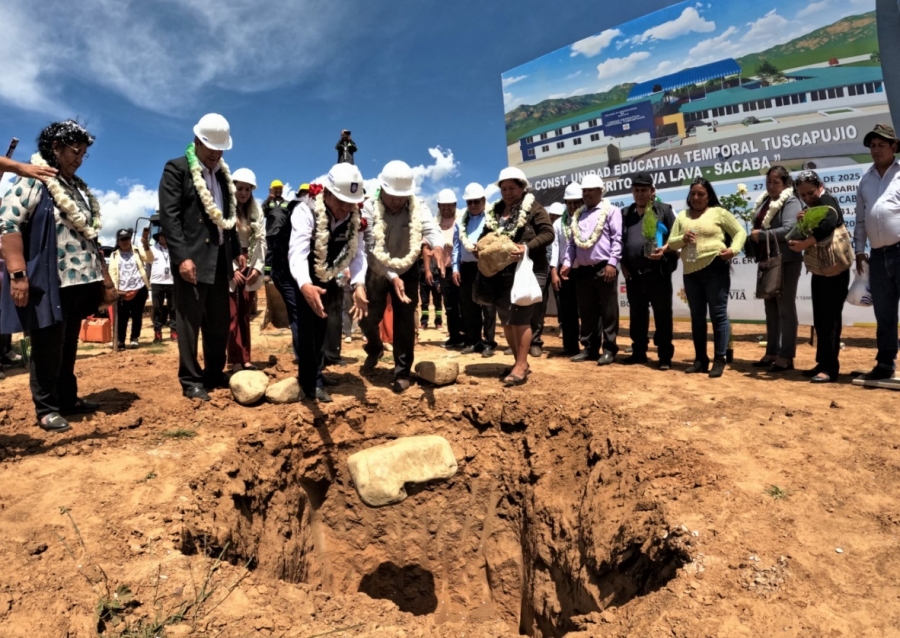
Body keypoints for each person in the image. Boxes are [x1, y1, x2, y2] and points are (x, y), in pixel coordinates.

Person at [0, 120, 117, 432]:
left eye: (83, 154)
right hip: (49, 282)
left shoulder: (77, 188)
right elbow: (7, 225)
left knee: (67, 346)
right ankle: (46, 407)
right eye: (74, 151)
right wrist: (18, 274)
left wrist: (104, 278)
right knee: (48, 346)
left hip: (79, 281)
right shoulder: (34, 180)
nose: (79, 158)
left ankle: (67, 398)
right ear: (55, 148)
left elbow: (90, 234)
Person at [158, 113, 244, 401]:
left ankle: (213, 373)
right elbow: (170, 216)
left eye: (221, 150)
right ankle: (191, 380)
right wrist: (181, 256)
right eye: (211, 149)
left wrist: (237, 251)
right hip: (192, 259)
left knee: (219, 321)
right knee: (189, 322)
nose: (216, 154)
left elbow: (227, 216)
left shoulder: (222, 175)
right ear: (196, 141)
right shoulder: (177, 169)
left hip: (220, 259)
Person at [360, 160, 443, 393]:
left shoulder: (419, 206)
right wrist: (390, 275)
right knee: (366, 317)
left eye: (402, 195)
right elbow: (369, 249)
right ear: (382, 189)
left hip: (407, 272)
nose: (397, 200)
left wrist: (437, 246)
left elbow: (431, 229)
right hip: (377, 271)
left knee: (405, 319)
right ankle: (375, 346)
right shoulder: (368, 208)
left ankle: (402, 371)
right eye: (392, 195)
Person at [288, 163, 368, 402]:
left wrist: (359, 284)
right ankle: (310, 383)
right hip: (297, 272)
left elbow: (359, 253)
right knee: (305, 326)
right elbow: (298, 252)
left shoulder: (355, 217)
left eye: (350, 203)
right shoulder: (306, 210)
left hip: (327, 272)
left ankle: (318, 372)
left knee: (322, 323)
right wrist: (304, 284)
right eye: (341, 202)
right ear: (327, 193)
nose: (345, 209)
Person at [476, 167, 554, 385]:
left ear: (522, 187)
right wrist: (479, 247)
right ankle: (519, 362)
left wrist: (525, 248)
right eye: (503, 189)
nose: (507, 192)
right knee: (508, 322)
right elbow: (485, 235)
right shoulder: (495, 212)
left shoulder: (535, 209)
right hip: (502, 273)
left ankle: (521, 366)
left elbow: (548, 233)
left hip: (528, 269)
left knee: (520, 318)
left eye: (512, 188)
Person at [668, 178, 746, 378]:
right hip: (690, 272)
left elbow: (739, 232)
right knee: (697, 317)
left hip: (715, 267)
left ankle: (719, 359)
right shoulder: (682, 216)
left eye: (701, 194)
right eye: (693, 193)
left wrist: (733, 250)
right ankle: (700, 360)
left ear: (709, 195)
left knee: (718, 315)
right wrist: (682, 239)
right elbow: (671, 244)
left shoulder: (718, 213)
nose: (696, 197)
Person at [789, 170, 849, 383]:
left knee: (830, 319)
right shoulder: (814, 205)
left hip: (834, 269)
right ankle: (823, 362)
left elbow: (828, 224)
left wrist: (804, 244)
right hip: (822, 269)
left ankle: (830, 368)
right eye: (802, 195)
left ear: (820, 186)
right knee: (821, 319)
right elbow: (812, 228)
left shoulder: (826, 200)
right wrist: (803, 220)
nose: (807, 198)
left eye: (810, 192)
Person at [559, 173, 622, 366]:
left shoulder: (611, 211)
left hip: (604, 268)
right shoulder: (578, 214)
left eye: (589, 190)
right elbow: (571, 244)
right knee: (587, 311)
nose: (585, 194)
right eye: (584, 191)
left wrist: (612, 263)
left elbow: (617, 240)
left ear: (600, 192)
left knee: (608, 311)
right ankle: (589, 348)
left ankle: (609, 350)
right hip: (583, 271)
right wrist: (567, 263)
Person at [853, 124, 900, 380]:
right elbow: (860, 220)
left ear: (894, 147)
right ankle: (884, 365)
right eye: (872, 145)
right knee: (883, 313)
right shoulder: (865, 179)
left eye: (882, 145)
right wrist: (859, 252)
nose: (876, 150)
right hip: (878, 256)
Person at [747, 166, 803, 373]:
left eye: (775, 182)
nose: (771, 186)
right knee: (770, 308)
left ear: (786, 184)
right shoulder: (765, 201)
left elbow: (790, 229)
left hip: (787, 260)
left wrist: (760, 235)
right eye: (768, 182)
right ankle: (772, 351)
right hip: (768, 260)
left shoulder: (791, 200)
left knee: (785, 308)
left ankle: (787, 356)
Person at [620, 172, 677, 369]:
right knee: (636, 316)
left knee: (662, 315)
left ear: (652, 192)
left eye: (644, 190)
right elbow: (619, 242)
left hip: (658, 273)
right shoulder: (625, 214)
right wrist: (623, 265)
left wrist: (666, 249)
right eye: (636, 190)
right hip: (634, 276)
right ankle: (638, 352)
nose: (640, 194)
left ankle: (664, 357)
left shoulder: (664, 210)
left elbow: (675, 237)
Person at [452, 183, 497, 357]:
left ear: (484, 201)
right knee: (468, 306)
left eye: (476, 202)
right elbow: (456, 246)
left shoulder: (492, 219)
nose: (473, 205)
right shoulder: (461, 221)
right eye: (469, 202)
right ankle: (473, 340)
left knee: (488, 306)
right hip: (466, 268)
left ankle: (488, 343)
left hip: (485, 268)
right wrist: (455, 268)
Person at [228, 168, 266, 372]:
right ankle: (234, 360)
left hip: (250, 263)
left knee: (244, 314)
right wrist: (232, 269)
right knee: (232, 315)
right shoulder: (226, 209)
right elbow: (222, 242)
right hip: (232, 263)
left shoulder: (256, 210)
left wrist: (258, 268)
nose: (243, 193)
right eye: (240, 188)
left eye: (247, 189)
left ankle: (246, 358)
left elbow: (261, 240)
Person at [550, 183, 583, 356]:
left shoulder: (586, 219)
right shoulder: (557, 224)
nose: (572, 206)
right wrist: (554, 272)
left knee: (587, 311)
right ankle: (570, 347)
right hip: (564, 273)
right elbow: (555, 248)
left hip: (584, 271)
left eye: (576, 202)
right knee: (568, 311)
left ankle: (590, 347)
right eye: (569, 203)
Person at [109, 227, 152, 350]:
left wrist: (146, 246)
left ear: (130, 239)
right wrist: (114, 289)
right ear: (118, 241)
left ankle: (134, 339)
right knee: (122, 316)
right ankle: (121, 340)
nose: (124, 241)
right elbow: (112, 272)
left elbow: (150, 259)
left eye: (127, 238)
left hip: (139, 288)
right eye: (122, 239)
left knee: (137, 315)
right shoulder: (113, 255)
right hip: (122, 291)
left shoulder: (138, 251)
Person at [435, 188, 465, 348]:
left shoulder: (462, 220)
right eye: (443, 205)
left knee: (465, 304)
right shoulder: (435, 224)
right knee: (450, 306)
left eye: (449, 205)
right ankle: (454, 336)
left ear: (455, 205)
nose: (446, 208)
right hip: (444, 270)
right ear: (438, 206)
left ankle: (468, 335)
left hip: (462, 268)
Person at [149, 229, 177, 343]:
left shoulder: (174, 248)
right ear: (157, 237)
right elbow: (147, 265)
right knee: (157, 309)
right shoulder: (152, 249)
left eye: (165, 235)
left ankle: (174, 331)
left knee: (174, 308)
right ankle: (157, 332)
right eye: (160, 236)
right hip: (157, 282)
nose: (162, 237)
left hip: (172, 282)